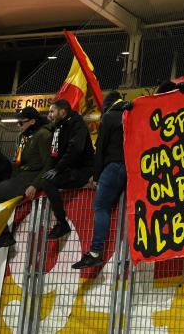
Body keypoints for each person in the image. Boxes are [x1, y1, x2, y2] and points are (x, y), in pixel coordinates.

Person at [0, 107, 54, 248]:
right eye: (18, 122)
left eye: (21, 123)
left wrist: (35, 185)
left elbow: (49, 165)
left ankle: (3, 235)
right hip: (21, 176)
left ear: (32, 121)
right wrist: (9, 182)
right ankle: (3, 234)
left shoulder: (43, 135)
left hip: (31, 176)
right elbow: (17, 163)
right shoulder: (23, 136)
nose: (18, 125)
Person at [73, 91, 127, 269]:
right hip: (131, 168)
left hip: (112, 167)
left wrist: (96, 177)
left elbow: (101, 149)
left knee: (101, 208)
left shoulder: (109, 117)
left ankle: (95, 252)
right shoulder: (130, 113)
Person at [40, 99, 95, 239]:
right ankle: (61, 223)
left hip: (83, 170)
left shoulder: (77, 125)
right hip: (68, 169)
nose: (49, 115)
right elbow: (54, 153)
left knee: (48, 182)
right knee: (45, 180)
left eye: (52, 111)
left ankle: (62, 223)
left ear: (63, 111)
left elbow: (75, 149)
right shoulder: (58, 127)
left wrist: (57, 169)